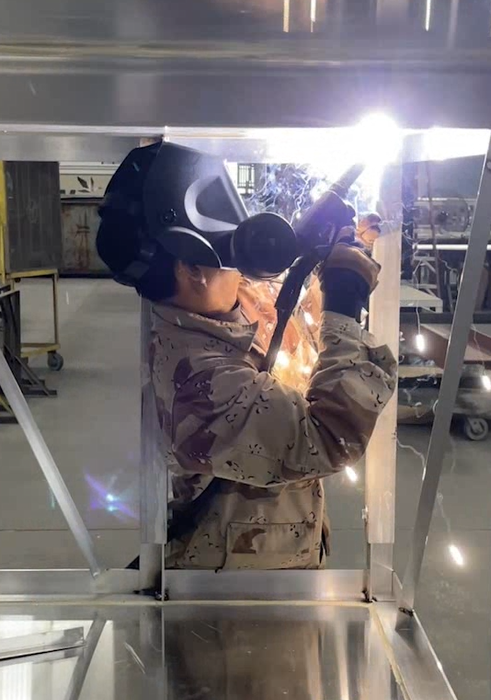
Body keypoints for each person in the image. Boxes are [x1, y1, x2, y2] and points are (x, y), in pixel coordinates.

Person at [97, 141, 397, 569]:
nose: (247, 264)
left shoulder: (220, 301)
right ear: (191, 269)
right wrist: (344, 304)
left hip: (278, 561)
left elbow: (292, 319)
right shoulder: (195, 382)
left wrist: (316, 255)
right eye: (233, 252)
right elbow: (330, 436)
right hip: (235, 599)